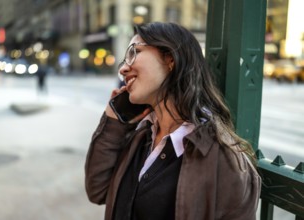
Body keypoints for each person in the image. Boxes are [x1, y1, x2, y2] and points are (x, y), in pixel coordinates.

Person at [85, 22, 261, 220]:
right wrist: (113, 119)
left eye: (134, 52)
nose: (124, 69)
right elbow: (97, 190)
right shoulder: (141, 136)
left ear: (170, 59)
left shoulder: (223, 159)